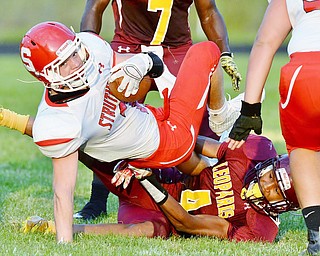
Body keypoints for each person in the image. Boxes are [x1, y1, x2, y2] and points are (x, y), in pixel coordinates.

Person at [13, 20, 240, 243]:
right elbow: (63, 193)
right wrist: (64, 242)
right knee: (206, 50)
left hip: (152, 119)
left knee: (196, 59)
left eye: (74, 53)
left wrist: (142, 63)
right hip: (169, 141)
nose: (76, 63)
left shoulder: (92, 51)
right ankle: (220, 117)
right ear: (47, 76)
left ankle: (218, 116)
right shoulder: (59, 122)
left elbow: (153, 67)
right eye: (64, 63)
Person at [77, 0, 243, 220]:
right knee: (108, 120)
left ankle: (207, 194)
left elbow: (209, 11)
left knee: (199, 126)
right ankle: (96, 202)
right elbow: (95, 7)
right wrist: (90, 52)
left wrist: (225, 53)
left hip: (176, 50)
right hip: (130, 48)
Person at [20, 135, 299, 243]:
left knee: (153, 232)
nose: (267, 183)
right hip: (165, 177)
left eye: (275, 190)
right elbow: (195, 145)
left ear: (282, 205)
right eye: (272, 176)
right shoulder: (254, 151)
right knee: (85, 147)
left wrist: (148, 182)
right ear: (271, 164)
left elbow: (187, 223)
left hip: (163, 212)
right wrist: (153, 151)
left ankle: (54, 227)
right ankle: (14, 120)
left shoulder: (261, 229)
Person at [227, 0, 320, 255]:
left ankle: (317, 239)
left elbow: (265, 43)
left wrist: (250, 109)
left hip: (304, 71)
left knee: (304, 149)